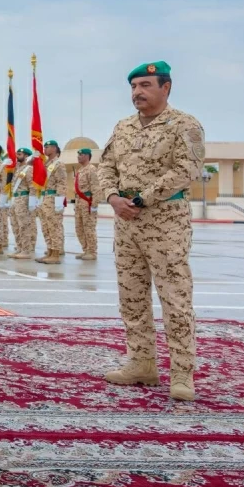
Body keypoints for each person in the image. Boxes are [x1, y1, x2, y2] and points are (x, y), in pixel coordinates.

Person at [98, 61, 203, 401]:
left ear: (165, 88)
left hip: (165, 221)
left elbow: (187, 168)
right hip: (126, 223)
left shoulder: (184, 125)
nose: (137, 93)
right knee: (131, 296)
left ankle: (182, 373)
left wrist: (142, 199)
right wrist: (113, 197)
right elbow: (106, 166)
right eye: (133, 87)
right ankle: (142, 363)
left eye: (145, 85)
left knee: (175, 297)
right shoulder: (123, 127)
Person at [36, 140, 67, 265]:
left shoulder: (59, 164)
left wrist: (60, 201)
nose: (45, 149)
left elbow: (62, 183)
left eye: (47, 147)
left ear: (54, 149)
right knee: (46, 227)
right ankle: (49, 251)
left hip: (53, 198)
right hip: (44, 198)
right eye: (44, 147)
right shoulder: (46, 163)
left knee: (54, 227)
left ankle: (56, 254)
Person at [9, 148, 38, 260]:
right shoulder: (18, 169)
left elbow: (32, 186)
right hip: (16, 199)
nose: (17, 156)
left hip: (24, 199)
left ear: (26, 156)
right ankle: (20, 248)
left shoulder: (29, 169)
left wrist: (32, 200)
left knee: (24, 225)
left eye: (19, 154)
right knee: (15, 225)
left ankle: (26, 250)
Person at [74, 148, 98, 260]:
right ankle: (85, 249)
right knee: (79, 227)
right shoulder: (80, 170)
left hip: (87, 201)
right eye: (78, 155)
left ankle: (92, 252)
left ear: (87, 156)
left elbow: (96, 188)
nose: (78, 157)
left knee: (89, 227)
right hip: (79, 202)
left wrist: (94, 205)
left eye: (81, 155)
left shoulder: (91, 169)